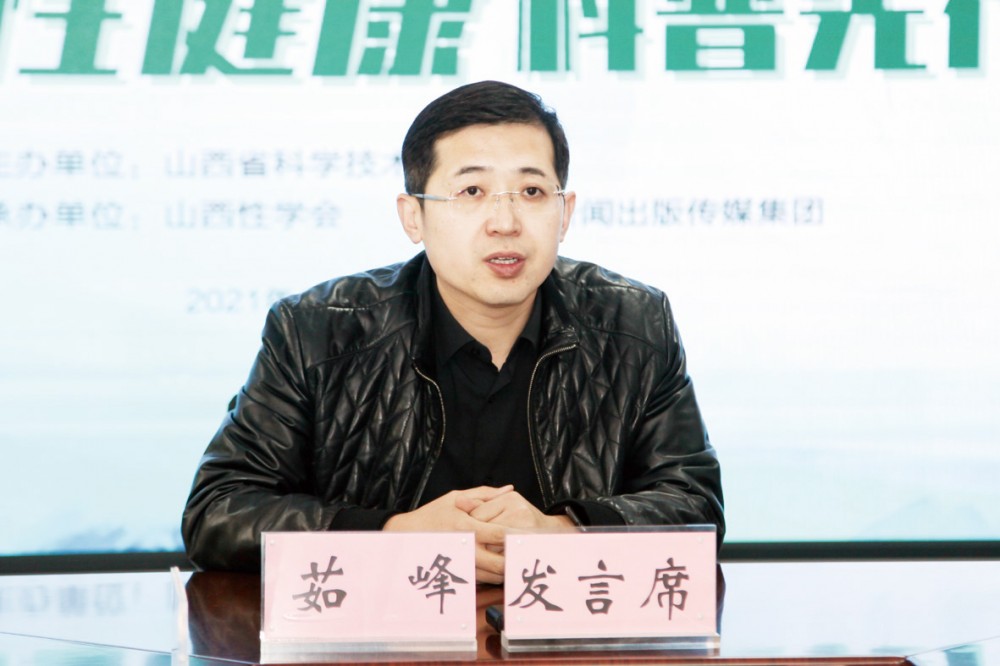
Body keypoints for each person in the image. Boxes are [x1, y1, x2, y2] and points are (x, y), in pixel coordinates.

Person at [182, 81, 724, 584]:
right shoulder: (317, 330)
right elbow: (218, 512)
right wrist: (396, 536)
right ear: (413, 217)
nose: (505, 222)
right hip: (380, 636)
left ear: (565, 213)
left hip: (568, 637)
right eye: (471, 191)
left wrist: (560, 534)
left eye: (532, 191)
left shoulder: (634, 323)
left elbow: (695, 507)